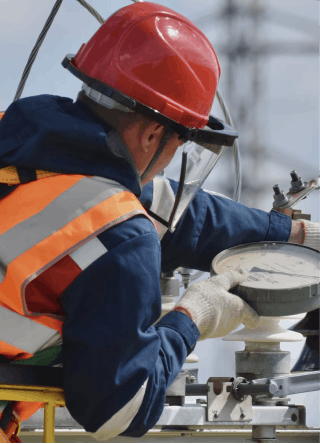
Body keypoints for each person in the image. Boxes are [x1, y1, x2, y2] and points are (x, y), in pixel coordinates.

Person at [0, 2, 319, 441]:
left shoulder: (24, 149)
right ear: (153, 134)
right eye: (182, 142)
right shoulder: (117, 232)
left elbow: (178, 212)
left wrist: (293, 236)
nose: (172, 160)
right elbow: (121, 409)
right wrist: (194, 317)